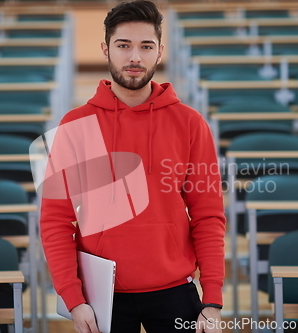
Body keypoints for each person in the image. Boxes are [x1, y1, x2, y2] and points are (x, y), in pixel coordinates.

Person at [39, 1, 226, 332]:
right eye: (123, 45)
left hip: (175, 290)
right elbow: (55, 220)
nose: (135, 57)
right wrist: (73, 298)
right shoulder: (75, 125)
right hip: (101, 296)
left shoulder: (190, 124)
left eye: (146, 46)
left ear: (160, 52)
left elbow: (208, 215)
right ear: (105, 50)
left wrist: (211, 299)